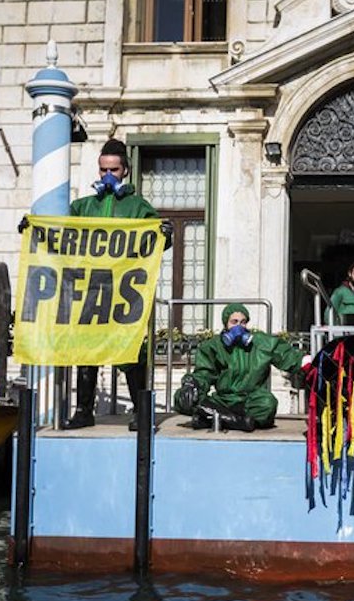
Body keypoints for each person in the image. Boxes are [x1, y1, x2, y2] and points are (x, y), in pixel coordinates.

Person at [59, 138, 172, 431]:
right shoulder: (82, 206)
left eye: (114, 169)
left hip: (124, 290)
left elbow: (156, 242)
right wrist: (33, 227)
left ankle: (139, 411)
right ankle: (84, 410)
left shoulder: (138, 207)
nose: (108, 176)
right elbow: (60, 234)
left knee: (130, 349)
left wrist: (166, 233)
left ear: (126, 171)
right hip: (91, 287)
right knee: (86, 349)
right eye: (102, 170)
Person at [173, 303, 311, 431]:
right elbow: (203, 374)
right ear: (225, 324)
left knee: (267, 405)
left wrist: (305, 364)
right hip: (223, 400)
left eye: (243, 322)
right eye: (234, 322)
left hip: (250, 400)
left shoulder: (260, 343)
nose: (239, 327)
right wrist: (192, 386)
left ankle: (214, 418)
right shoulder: (213, 347)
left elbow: (286, 355)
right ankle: (237, 422)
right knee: (184, 399)